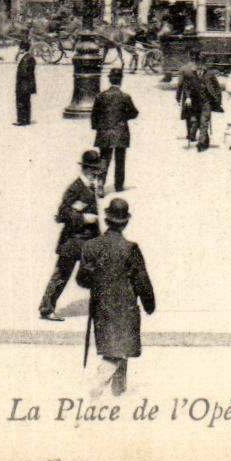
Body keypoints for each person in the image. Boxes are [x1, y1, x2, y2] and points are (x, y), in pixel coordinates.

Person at [76, 198, 156, 397]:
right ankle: (99, 382)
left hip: (101, 307)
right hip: (125, 307)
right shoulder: (130, 249)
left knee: (116, 350)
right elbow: (142, 281)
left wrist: (97, 276)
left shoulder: (91, 246)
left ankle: (118, 392)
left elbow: (82, 280)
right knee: (118, 352)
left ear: (107, 219)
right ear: (125, 221)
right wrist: (149, 305)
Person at [40, 149, 105, 321]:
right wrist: (84, 218)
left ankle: (99, 307)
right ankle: (46, 308)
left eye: (97, 171)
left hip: (88, 241)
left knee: (98, 273)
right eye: (92, 170)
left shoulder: (90, 186)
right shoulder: (75, 188)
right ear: (84, 169)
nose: (95, 174)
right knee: (61, 275)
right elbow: (62, 213)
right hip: (73, 241)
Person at [91, 68, 139, 193]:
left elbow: (94, 115)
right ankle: (118, 185)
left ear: (109, 79)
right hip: (120, 131)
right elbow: (134, 113)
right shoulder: (125, 97)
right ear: (121, 80)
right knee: (120, 160)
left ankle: (100, 185)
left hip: (104, 132)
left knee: (104, 158)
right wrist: (124, 117)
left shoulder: (101, 96)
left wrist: (98, 128)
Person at [14, 40, 36, 126]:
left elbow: (24, 72)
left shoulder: (27, 58)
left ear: (23, 49)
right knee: (24, 102)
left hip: (24, 84)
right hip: (25, 84)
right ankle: (24, 119)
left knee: (22, 102)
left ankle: (23, 120)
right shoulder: (28, 57)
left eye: (20, 48)